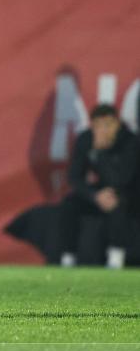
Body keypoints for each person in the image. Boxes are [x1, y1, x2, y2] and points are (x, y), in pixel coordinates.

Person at [59, 104, 138, 269]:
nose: (104, 130)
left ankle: (116, 257)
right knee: (69, 204)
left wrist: (100, 153)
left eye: (108, 124)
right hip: (100, 192)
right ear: (92, 126)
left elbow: (122, 179)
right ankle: (68, 257)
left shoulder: (131, 141)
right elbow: (74, 177)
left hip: (130, 192)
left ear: (117, 123)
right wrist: (94, 195)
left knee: (116, 202)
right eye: (98, 126)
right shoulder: (85, 139)